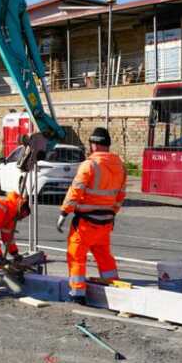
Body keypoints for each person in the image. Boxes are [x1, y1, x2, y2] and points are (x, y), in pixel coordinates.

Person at [56, 127, 127, 305]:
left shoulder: (89, 165)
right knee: (104, 256)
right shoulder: (120, 166)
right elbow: (120, 195)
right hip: (105, 223)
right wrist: (112, 214)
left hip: (86, 223)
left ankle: (77, 294)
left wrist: (64, 212)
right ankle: (113, 290)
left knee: (76, 255)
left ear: (93, 145)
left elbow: (76, 191)